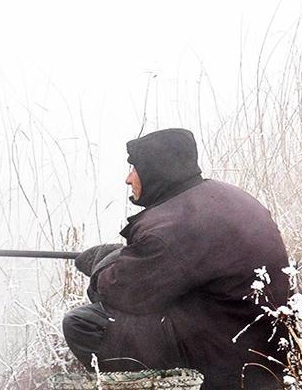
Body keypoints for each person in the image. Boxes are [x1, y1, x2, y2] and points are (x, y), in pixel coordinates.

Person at [63, 128, 290, 390]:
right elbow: (184, 262)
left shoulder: (170, 228)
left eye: (134, 168)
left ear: (154, 170)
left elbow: (119, 294)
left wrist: (100, 262)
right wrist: (123, 255)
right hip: (261, 345)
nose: (128, 179)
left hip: (225, 361)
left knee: (82, 323)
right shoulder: (229, 197)